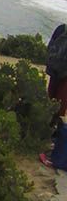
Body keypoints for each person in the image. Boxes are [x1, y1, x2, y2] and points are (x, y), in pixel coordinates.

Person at [42, 24, 67, 170]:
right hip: (61, 73)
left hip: (56, 71)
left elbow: (49, 46)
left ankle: (51, 137)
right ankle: (52, 138)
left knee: (55, 104)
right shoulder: (61, 29)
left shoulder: (62, 28)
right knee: (57, 105)